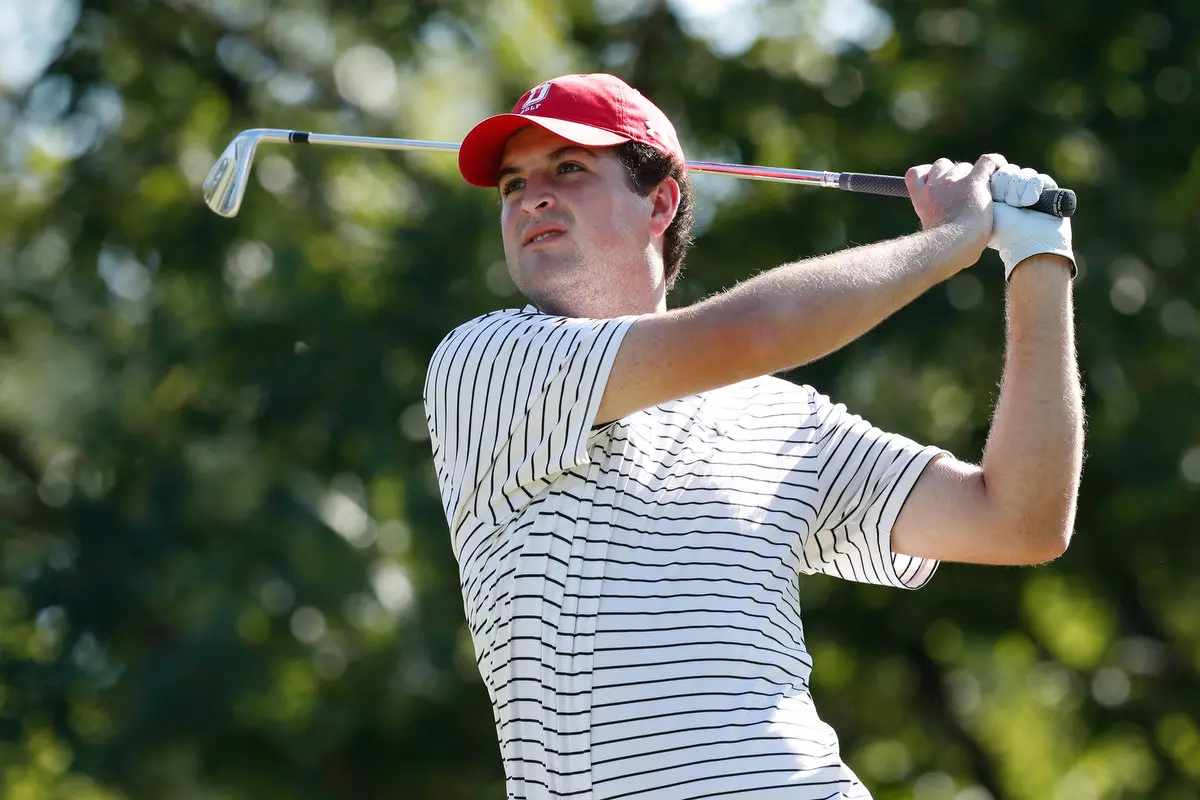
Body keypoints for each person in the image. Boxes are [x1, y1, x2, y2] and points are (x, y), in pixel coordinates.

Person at [423, 73, 1083, 800]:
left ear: (661, 201)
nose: (532, 197)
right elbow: (755, 332)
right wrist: (954, 238)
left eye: (569, 168)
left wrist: (1038, 261)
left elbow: (1018, 520)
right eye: (513, 184)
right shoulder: (485, 363)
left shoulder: (783, 420)